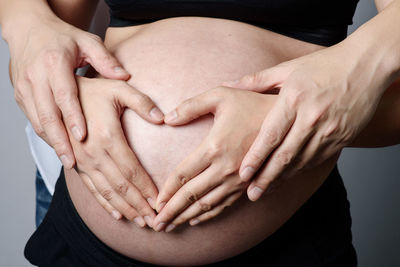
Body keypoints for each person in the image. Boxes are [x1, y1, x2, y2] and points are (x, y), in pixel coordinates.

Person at [0, 0, 399, 266]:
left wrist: (283, 125)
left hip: (282, 234)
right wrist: (38, 43)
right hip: (90, 225)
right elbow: (47, 36)